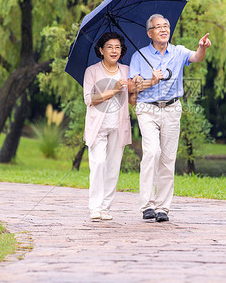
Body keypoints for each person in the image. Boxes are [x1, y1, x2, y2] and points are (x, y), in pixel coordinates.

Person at [129, 13, 211, 222]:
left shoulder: (179, 51)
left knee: (167, 159)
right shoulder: (139, 55)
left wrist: (202, 46)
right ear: (150, 33)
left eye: (166, 25)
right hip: (147, 109)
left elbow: (196, 57)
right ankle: (147, 204)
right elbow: (131, 88)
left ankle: (162, 208)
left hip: (172, 109)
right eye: (158, 27)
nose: (164, 29)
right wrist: (150, 80)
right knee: (152, 152)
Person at [83, 32, 133, 221]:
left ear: (122, 50)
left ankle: (105, 207)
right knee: (98, 164)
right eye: (110, 47)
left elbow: (133, 97)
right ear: (101, 50)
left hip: (119, 126)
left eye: (118, 47)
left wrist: (141, 83)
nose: (114, 50)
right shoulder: (92, 71)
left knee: (113, 167)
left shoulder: (127, 70)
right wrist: (113, 89)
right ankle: (95, 207)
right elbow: (89, 99)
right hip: (98, 125)